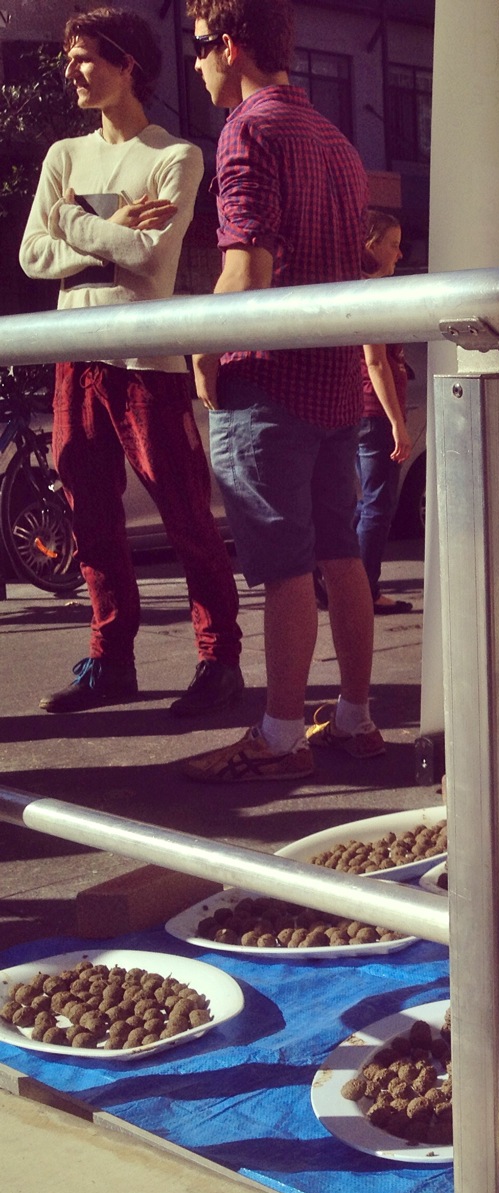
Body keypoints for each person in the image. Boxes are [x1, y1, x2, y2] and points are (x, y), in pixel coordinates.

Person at [19, 6, 243, 717]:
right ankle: (111, 660)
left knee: (185, 516)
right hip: (73, 354)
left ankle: (219, 661)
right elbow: (32, 256)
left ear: (127, 63)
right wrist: (108, 228)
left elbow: (148, 257)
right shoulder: (64, 155)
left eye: (87, 58)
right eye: (71, 59)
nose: (73, 72)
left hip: (148, 360)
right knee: (90, 519)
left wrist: (74, 222)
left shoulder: (175, 156)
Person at [179, 0, 382, 783]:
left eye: (201, 48)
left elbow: (248, 271)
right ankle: (357, 718)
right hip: (335, 381)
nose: (197, 65)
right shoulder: (336, 140)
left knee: (285, 566)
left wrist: (200, 344)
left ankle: (279, 732)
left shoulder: (246, 130)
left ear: (230, 46)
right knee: (341, 555)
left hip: (268, 378)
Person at [356, 210, 413, 615]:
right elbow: (375, 362)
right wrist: (397, 423)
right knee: (378, 504)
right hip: (374, 411)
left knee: (363, 503)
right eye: (392, 244)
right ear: (371, 245)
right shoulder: (369, 294)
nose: (399, 255)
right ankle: (365, 590)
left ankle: (352, 586)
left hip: (356, 407)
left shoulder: (351, 288)